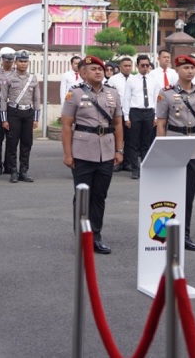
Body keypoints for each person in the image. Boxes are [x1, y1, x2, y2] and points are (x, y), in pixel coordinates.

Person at [61, 56, 123, 255]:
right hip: (82, 151)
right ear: (84, 73)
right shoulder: (75, 93)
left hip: (106, 151)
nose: (98, 71)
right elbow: (66, 125)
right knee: (82, 196)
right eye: (93, 68)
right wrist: (68, 154)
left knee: (99, 196)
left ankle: (96, 236)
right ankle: (82, 239)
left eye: (100, 68)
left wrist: (119, 150)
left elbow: (118, 123)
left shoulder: (113, 93)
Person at [156, 55, 195, 252]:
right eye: (185, 68)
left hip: (194, 146)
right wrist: (161, 150)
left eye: (192, 68)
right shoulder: (166, 93)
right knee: (170, 193)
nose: (190, 71)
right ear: (177, 70)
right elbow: (161, 123)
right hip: (173, 144)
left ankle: (184, 234)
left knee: (189, 193)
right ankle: (166, 230)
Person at [0, 51, 40, 183]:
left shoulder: (33, 79)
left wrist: (36, 118)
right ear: (16, 62)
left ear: (28, 62)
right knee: (12, 143)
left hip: (28, 113)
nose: (23, 64)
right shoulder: (9, 78)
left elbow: (36, 99)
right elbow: (4, 99)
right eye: (21, 61)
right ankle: (13, 171)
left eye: (25, 61)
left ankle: (24, 171)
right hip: (13, 113)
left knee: (27, 143)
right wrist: (4, 119)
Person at [123, 55, 159, 180]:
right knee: (133, 142)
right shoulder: (131, 80)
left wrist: (156, 116)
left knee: (146, 142)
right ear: (137, 66)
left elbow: (156, 99)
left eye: (147, 65)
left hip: (149, 112)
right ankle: (135, 168)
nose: (145, 68)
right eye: (142, 65)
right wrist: (126, 117)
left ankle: (144, 166)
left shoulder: (154, 80)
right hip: (135, 112)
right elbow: (126, 99)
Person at [107, 57, 134, 172]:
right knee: (116, 137)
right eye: (125, 66)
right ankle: (116, 161)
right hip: (117, 112)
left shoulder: (135, 79)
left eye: (129, 66)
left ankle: (127, 162)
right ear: (120, 67)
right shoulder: (113, 79)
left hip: (131, 112)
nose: (127, 68)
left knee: (130, 138)